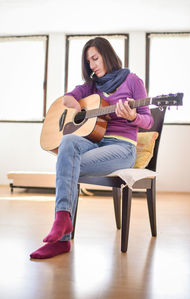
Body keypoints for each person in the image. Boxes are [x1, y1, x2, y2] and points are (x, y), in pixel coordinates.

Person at [30, 37, 154, 259]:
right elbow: (67, 99)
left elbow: (148, 121)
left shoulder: (133, 81)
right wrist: (76, 105)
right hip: (96, 142)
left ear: (107, 55)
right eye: (88, 62)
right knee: (68, 141)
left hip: (122, 148)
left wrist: (133, 116)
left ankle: (61, 237)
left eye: (95, 58)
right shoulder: (92, 86)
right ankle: (63, 220)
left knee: (66, 163)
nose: (92, 65)